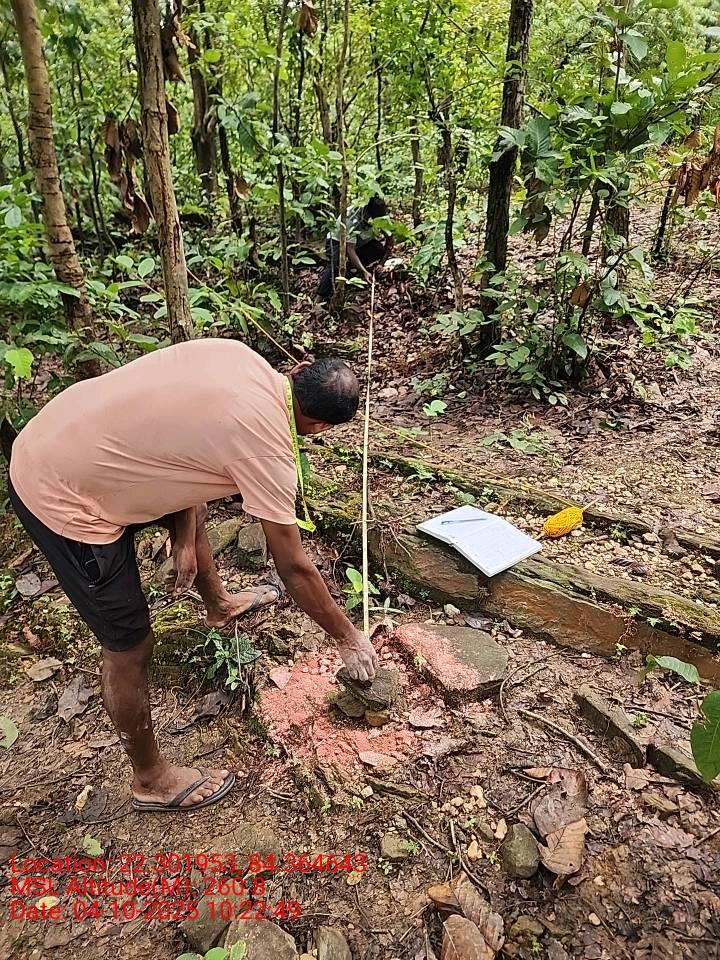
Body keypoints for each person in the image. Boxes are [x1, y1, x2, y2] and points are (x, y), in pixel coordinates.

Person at [8, 339, 377, 813]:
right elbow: (293, 566)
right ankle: (151, 780)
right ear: (321, 426)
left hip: (59, 431)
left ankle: (218, 605)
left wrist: (185, 534)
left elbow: (181, 445)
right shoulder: (268, 450)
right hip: (61, 492)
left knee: (192, 510)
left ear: (300, 368)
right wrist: (348, 637)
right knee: (129, 645)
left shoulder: (236, 356)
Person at [317, 195, 392, 299]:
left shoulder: (381, 217)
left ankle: (352, 269)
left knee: (378, 249)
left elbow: (390, 241)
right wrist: (364, 272)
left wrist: (381, 263)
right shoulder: (350, 219)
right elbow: (350, 250)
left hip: (360, 242)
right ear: (366, 212)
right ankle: (320, 296)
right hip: (338, 240)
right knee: (335, 263)